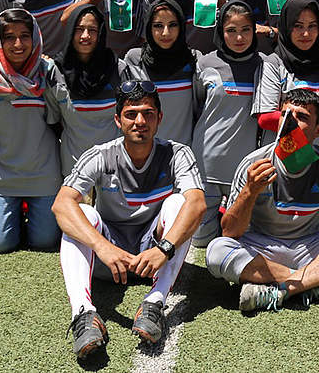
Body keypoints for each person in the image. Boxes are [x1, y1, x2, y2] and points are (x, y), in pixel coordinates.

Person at [54, 80, 206, 352]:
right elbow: (61, 205)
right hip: (109, 260)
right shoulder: (100, 155)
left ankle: (154, 303)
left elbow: (197, 205)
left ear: (159, 118)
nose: (140, 121)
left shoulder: (177, 153)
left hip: (154, 256)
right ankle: (83, 314)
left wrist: (164, 248)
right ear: (117, 120)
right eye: (131, 114)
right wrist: (103, 247)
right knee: (82, 212)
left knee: (177, 203)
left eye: (148, 113)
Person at [205, 89, 319, 311]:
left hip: (309, 248)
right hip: (261, 248)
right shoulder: (254, 163)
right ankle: (312, 283)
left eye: (302, 117)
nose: (290, 122)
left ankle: (279, 289)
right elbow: (230, 232)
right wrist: (249, 191)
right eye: (285, 114)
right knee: (216, 250)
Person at [0, 9, 62, 253]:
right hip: (2, 177)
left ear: (35, 37)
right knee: (0, 244)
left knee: (45, 242)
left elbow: (60, 124)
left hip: (44, 177)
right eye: (9, 37)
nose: (18, 44)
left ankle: (27, 208)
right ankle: (12, 208)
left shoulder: (48, 71)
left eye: (24, 36)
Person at [191, 1, 266, 247]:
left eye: (245, 29)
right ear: (221, 32)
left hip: (245, 168)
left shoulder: (265, 65)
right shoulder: (204, 64)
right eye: (231, 30)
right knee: (201, 241)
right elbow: (196, 106)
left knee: (237, 238)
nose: (239, 37)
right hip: (207, 164)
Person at [254, 0, 319, 161]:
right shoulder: (273, 63)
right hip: (283, 161)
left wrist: (290, 115)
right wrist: (315, 119)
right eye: (298, 26)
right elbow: (266, 117)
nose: (306, 33)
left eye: (312, 26)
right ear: (286, 26)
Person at [46, 3, 131, 178]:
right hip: (74, 171)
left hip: (114, 170)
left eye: (92, 30)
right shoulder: (56, 71)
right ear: (70, 31)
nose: (85, 36)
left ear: (100, 33)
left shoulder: (118, 69)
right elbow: (54, 122)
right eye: (79, 29)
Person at [124, 0, 202, 146]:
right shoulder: (135, 59)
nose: (166, 33)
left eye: (172, 25)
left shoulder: (194, 59)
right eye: (158, 26)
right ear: (149, 28)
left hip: (184, 155)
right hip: (144, 153)